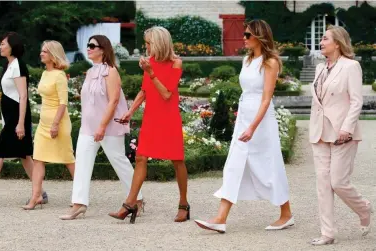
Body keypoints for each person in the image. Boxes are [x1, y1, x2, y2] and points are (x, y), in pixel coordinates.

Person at [194, 19, 293, 233]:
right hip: (244, 118)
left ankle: (286, 214)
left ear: (260, 36)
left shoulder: (271, 62)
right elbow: (247, 93)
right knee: (233, 165)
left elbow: (266, 100)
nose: (244, 38)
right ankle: (220, 218)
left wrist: (252, 127)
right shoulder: (247, 60)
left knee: (269, 166)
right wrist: (242, 121)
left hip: (261, 122)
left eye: (248, 35)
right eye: (244, 34)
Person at [108, 27, 189, 224]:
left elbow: (167, 94)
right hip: (151, 118)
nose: (146, 47)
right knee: (141, 158)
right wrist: (130, 111)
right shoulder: (150, 63)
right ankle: (130, 203)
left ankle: (184, 204)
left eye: (148, 43)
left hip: (168, 119)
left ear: (159, 43)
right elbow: (144, 91)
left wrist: (152, 73)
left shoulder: (176, 63)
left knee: (177, 161)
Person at [59, 35, 144, 220]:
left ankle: (137, 198)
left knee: (118, 160)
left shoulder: (111, 71)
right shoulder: (90, 72)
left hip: (109, 126)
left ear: (103, 49)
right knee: (81, 162)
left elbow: (113, 101)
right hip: (87, 127)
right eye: (87, 45)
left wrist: (102, 126)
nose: (88, 48)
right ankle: (79, 204)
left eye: (92, 45)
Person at [309, 25, 372, 245]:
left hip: (342, 132)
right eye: (321, 38)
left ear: (338, 43)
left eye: (325, 38)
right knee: (323, 185)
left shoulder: (351, 66)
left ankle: (363, 208)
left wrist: (347, 128)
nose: (321, 41)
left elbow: (357, 100)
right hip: (319, 132)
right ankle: (327, 233)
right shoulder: (319, 68)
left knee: (338, 182)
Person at [0, 32, 48, 206]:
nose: (0, 46)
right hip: (11, 117)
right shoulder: (9, 65)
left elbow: (23, 96)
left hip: (16, 119)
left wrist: (20, 123)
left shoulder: (18, 65)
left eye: (3, 44)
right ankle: (40, 192)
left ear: (13, 46)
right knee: (25, 156)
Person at [23, 40, 75, 210]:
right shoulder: (45, 73)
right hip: (43, 125)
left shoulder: (59, 76)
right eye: (42, 51)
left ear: (53, 55)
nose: (41, 54)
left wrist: (55, 125)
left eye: (45, 51)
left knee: (68, 160)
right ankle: (36, 196)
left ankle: (79, 196)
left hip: (58, 124)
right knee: (37, 159)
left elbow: (63, 103)